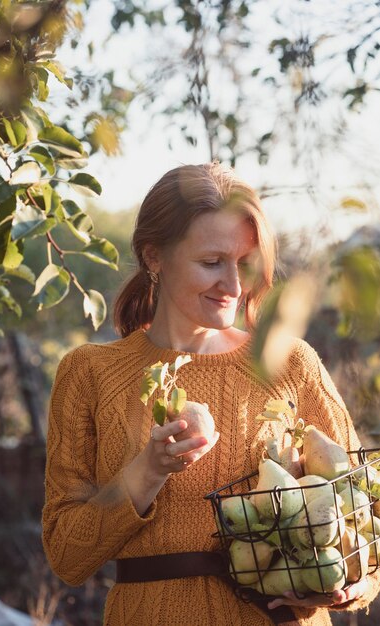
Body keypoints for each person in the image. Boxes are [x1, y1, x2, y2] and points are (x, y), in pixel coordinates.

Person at [42, 162, 379, 626]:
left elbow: (364, 512)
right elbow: (67, 556)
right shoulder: (90, 374)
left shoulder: (289, 362)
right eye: (212, 262)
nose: (235, 286)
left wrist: (358, 582)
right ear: (154, 256)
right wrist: (150, 469)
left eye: (245, 264)